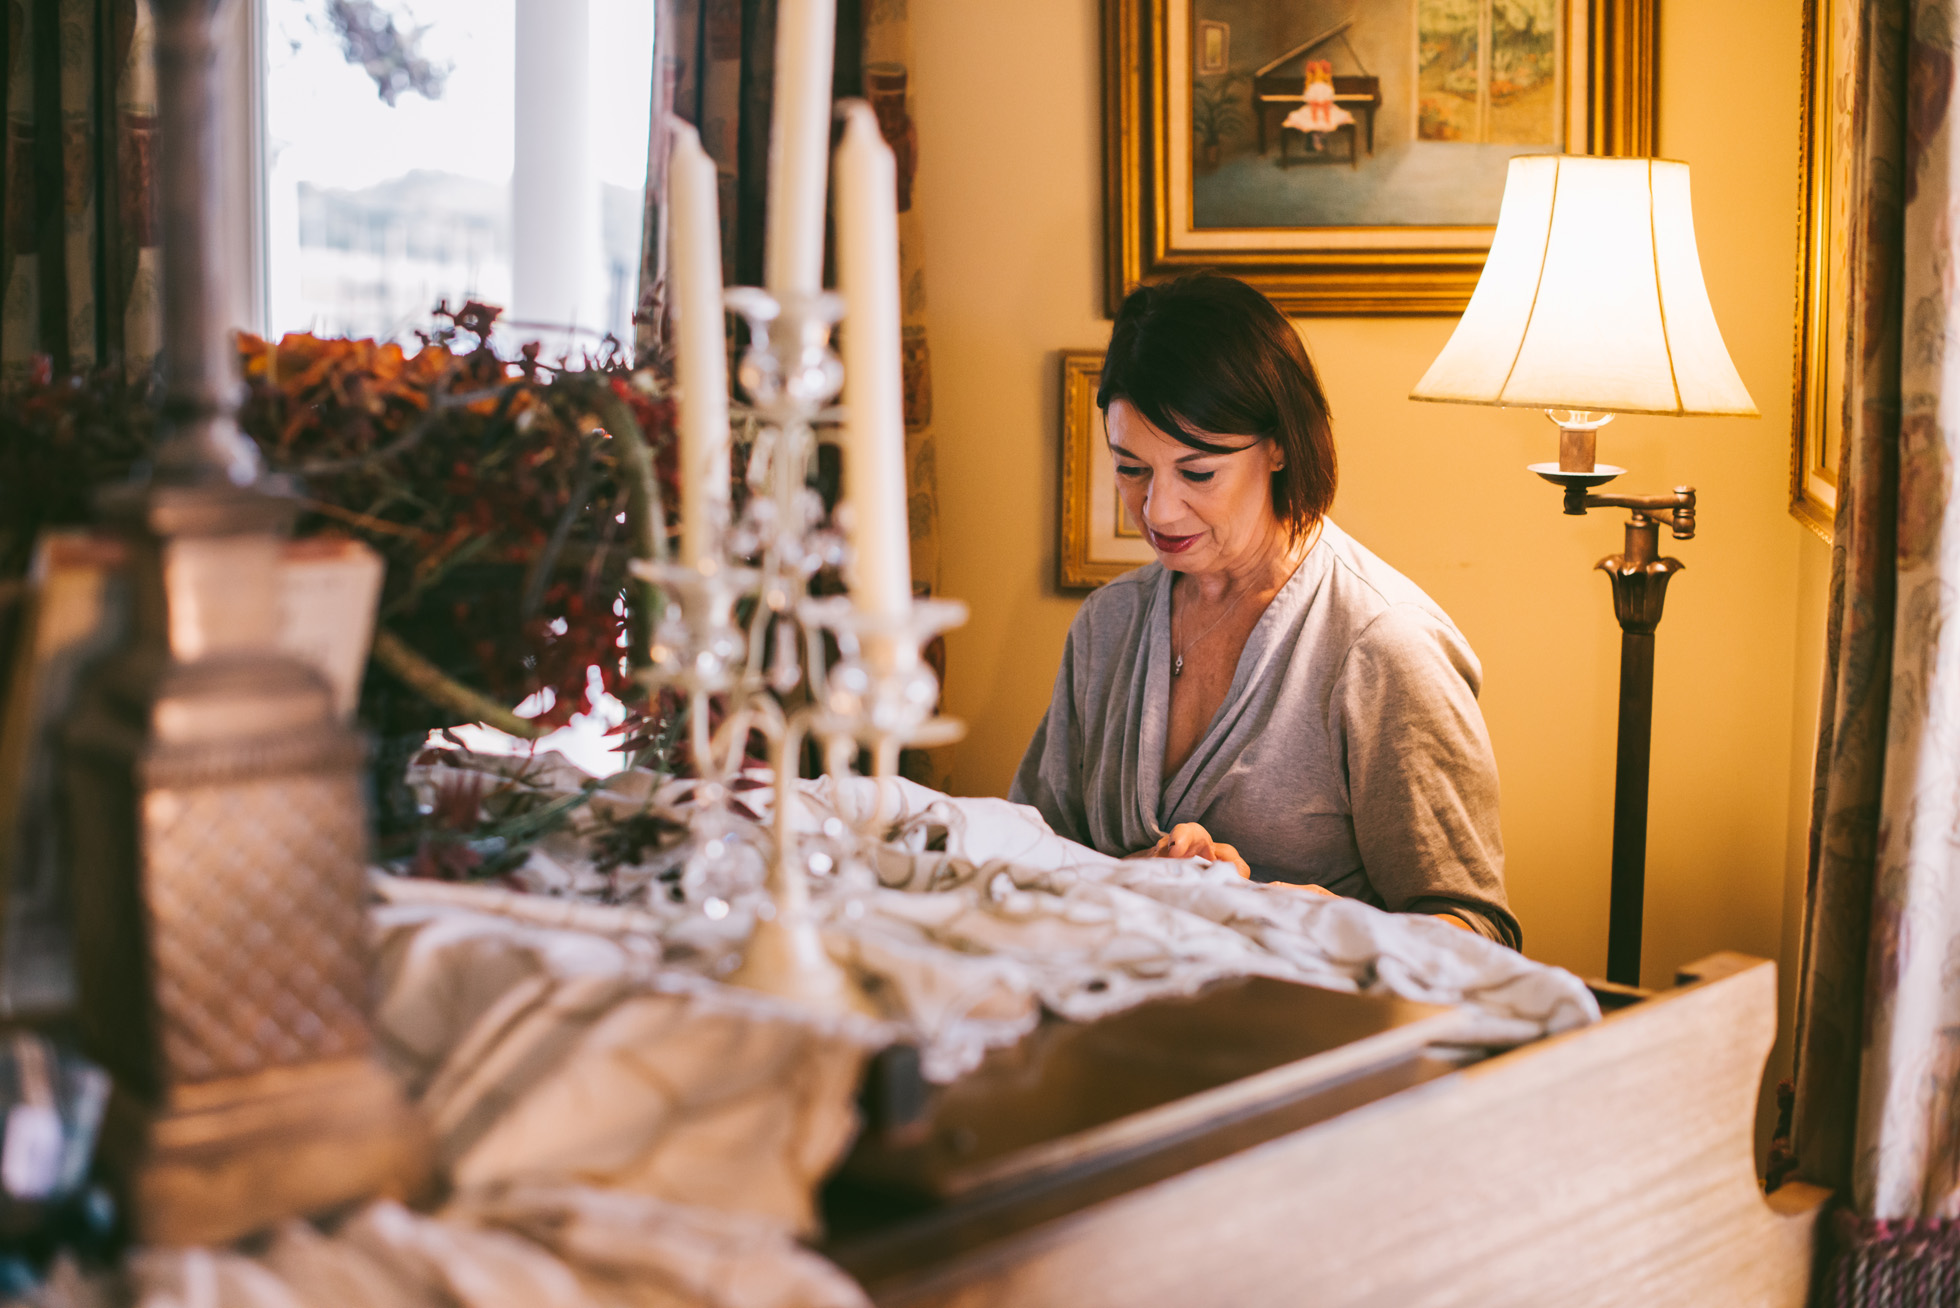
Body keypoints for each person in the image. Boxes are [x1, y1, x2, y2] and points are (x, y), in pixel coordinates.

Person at [1010, 274, 1520, 947]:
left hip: (1313, 1041)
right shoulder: (1106, 627)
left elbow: (1482, 935)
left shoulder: (1383, 646)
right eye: (1130, 467)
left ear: (1279, 444)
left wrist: (1314, 923)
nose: (1158, 511)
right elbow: (1022, 862)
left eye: (1197, 473)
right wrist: (1136, 881)